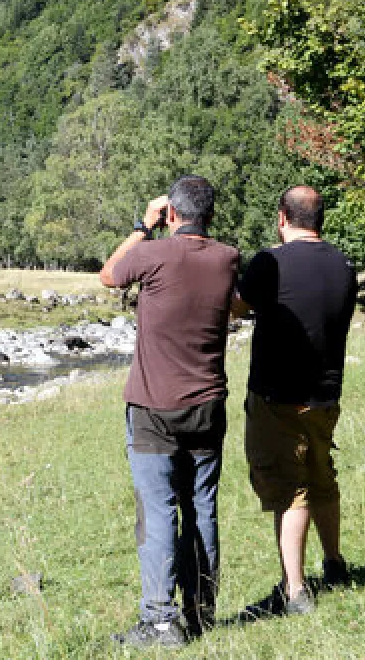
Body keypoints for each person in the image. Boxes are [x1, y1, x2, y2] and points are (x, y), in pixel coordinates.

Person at [100, 175, 239, 648]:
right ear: (211, 216)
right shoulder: (227, 258)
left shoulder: (153, 253)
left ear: (173, 215)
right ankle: (201, 612)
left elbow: (108, 273)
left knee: (158, 512)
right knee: (202, 505)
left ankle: (160, 622)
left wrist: (143, 224)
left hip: (154, 405)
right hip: (207, 404)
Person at [232, 185, 357, 617]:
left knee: (290, 490)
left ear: (282, 217)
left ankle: (295, 590)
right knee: (323, 477)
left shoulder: (271, 261)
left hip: (277, 396)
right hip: (326, 394)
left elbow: (237, 306)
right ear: (320, 219)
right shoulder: (344, 264)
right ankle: (335, 565)